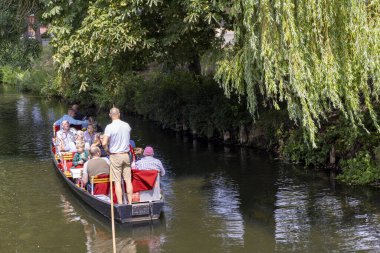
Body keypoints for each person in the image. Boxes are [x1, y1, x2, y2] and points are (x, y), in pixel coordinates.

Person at [102, 107, 133, 204]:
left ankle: (120, 204)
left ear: (110, 115)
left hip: (115, 155)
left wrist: (107, 151)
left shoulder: (109, 127)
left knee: (117, 181)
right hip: (126, 155)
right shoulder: (127, 125)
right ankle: (130, 203)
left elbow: (103, 143)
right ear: (119, 114)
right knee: (128, 180)